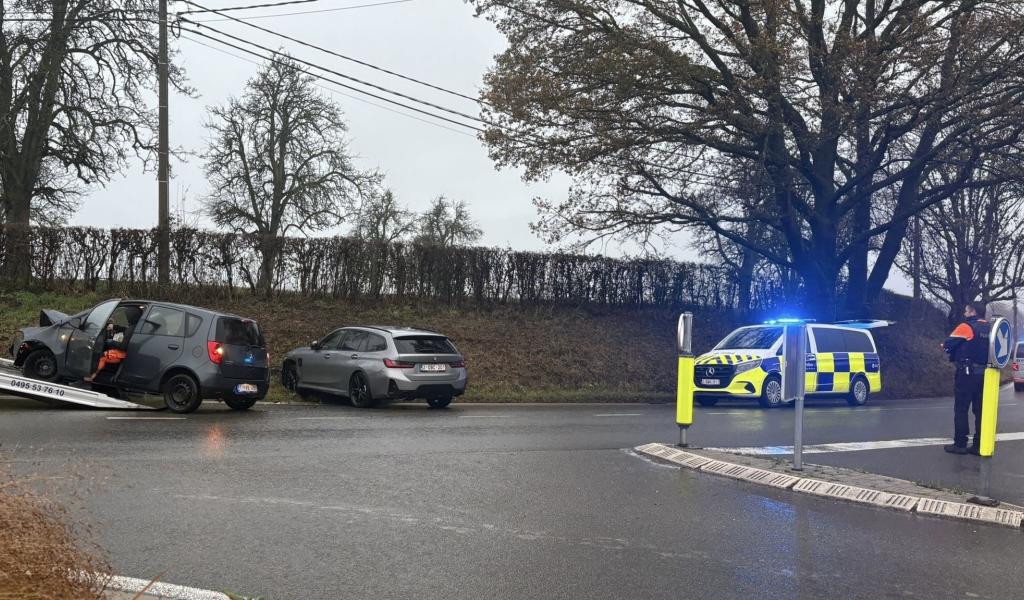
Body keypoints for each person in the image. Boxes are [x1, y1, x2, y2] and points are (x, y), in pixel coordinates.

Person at [941, 303, 990, 455]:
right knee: (980, 410)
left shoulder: (966, 327)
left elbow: (947, 343)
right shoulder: (992, 328)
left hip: (966, 373)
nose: (965, 312)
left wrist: (944, 345)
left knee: (961, 409)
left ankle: (960, 444)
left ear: (973, 312)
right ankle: (979, 445)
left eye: (966, 310)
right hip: (986, 375)